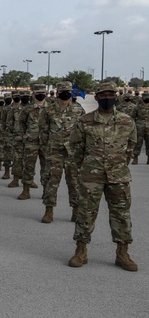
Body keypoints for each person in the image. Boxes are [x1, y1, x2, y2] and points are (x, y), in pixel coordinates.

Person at [68, 82, 138, 271]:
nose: (107, 98)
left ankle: (122, 253)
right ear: (97, 97)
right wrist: (86, 167)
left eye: (111, 95)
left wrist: (119, 164)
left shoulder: (127, 121)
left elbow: (130, 148)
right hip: (91, 176)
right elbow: (75, 148)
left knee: (121, 215)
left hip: (119, 176)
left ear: (116, 97)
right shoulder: (85, 121)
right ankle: (81, 251)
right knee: (85, 213)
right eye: (103, 95)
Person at [38, 82, 85, 223]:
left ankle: (76, 211)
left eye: (68, 91)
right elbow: (43, 130)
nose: (66, 93)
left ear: (71, 92)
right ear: (57, 92)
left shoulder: (78, 109)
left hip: (73, 153)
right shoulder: (48, 110)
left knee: (75, 183)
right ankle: (49, 211)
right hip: (55, 151)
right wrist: (48, 147)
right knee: (51, 181)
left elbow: (83, 131)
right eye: (63, 90)